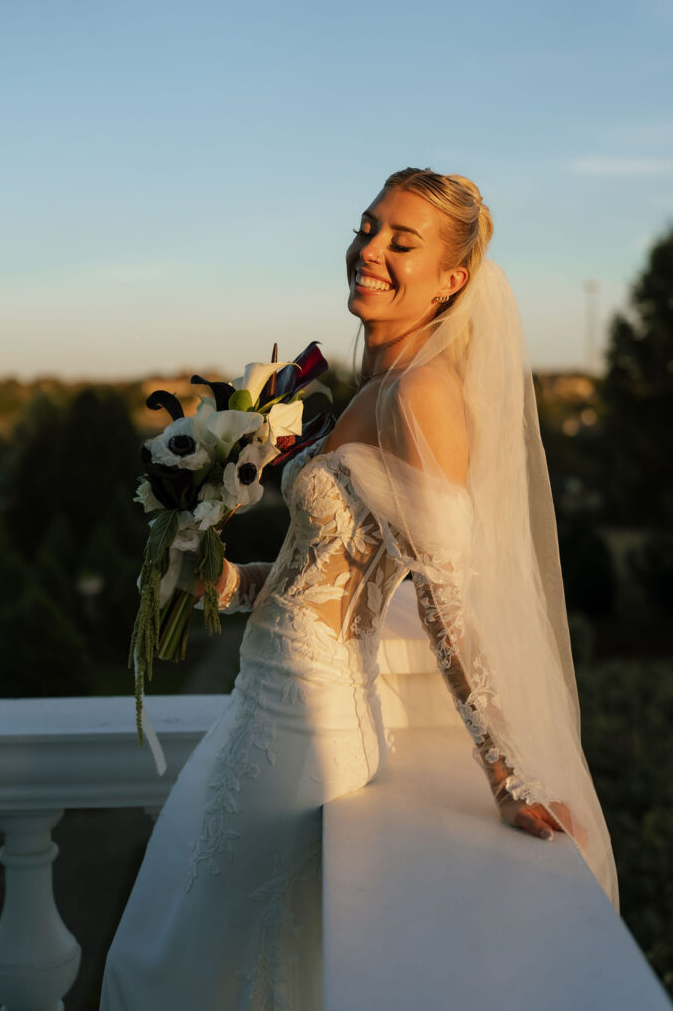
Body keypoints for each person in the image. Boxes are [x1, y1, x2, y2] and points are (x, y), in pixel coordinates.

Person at [99, 167, 618, 1010]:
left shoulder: (422, 396)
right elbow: (323, 575)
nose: (369, 250)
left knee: (210, 963)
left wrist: (509, 774)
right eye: (367, 228)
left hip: (308, 722)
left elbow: (446, 595)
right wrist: (216, 577)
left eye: (400, 242)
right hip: (265, 704)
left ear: (453, 281)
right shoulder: (369, 391)